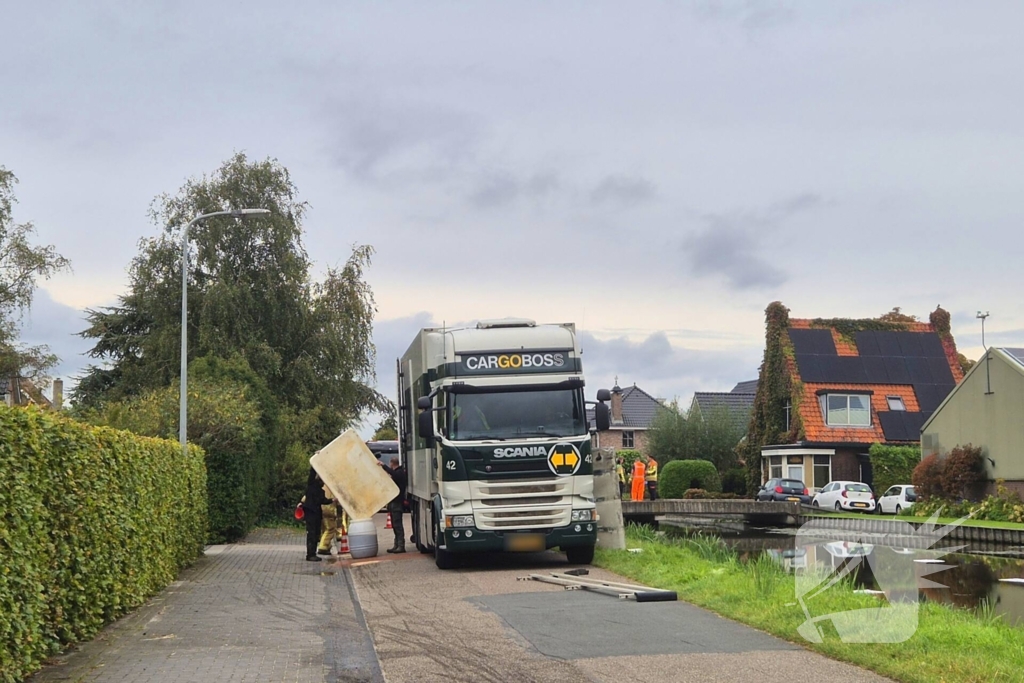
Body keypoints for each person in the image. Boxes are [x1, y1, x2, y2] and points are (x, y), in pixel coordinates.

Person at [297, 467, 328, 562]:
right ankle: (311, 554)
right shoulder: (314, 487)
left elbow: (323, 500)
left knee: (314, 534)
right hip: (313, 513)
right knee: (313, 534)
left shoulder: (314, 488)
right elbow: (323, 500)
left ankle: (312, 553)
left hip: (312, 513)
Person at [379, 457, 407, 553]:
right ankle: (396, 544)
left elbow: (394, 474)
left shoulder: (399, 473)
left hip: (397, 503)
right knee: (395, 525)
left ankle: (401, 545)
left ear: (392, 463)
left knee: (398, 525)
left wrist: (384, 466)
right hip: (393, 502)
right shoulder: (397, 473)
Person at [317, 488, 340, 556]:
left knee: (324, 529)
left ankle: (327, 546)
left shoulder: (321, 486)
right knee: (330, 529)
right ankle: (323, 546)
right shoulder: (333, 487)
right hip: (329, 510)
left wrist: (302, 502)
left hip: (321, 509)